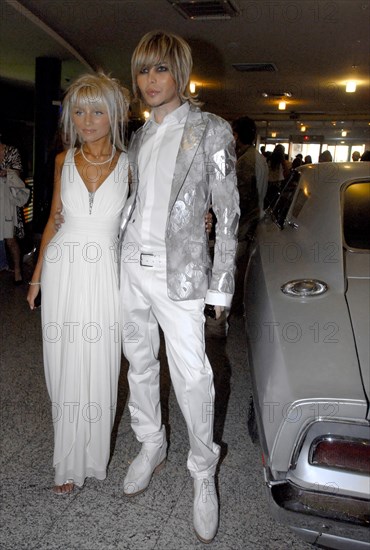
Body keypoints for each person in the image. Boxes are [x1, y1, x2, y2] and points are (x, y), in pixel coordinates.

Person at [119, 31, 239, 543]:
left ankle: (202, 470)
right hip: (130, 266)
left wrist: (222, 286)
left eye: (160, 70)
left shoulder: (211, 129)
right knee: (139, 361)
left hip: (182, 274)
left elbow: (229, 212)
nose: (150, 80)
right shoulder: (139, 135)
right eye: (144, 70)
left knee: (192, 377)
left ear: (181, 75)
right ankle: (151, 444)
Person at [27, 73, 130, 494]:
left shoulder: (130, 165)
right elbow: (52, 219)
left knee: (101, 364)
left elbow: (146, 220)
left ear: (114, 115)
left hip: (106, 272)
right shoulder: (62, 161)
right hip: (63, 268)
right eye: (80, 112)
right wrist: (36, 279)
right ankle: (67, 463)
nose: (87, 121)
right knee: (63, 365)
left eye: (97, 111)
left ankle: (92, 455)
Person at [231, 116, 267, 315]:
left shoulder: (246, 161)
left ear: (238, 135)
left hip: (245, 225)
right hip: (253, 222)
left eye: (233, 134)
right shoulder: (256, 157)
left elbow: (243, 199)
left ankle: (236, 309)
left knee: (238, 270)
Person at [0, 134, 24, 283]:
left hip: (7, 197)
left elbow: (18, 172)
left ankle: (17, 270)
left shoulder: (11, 151)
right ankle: (3, 264)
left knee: (10, 238)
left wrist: (6, 172)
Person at [264, 144, 290, 208]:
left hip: (268, 182)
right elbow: (287, 171)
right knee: (274, 201)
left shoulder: (269, 159)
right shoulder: (282, 160)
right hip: (277, 183)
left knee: (267, 200)